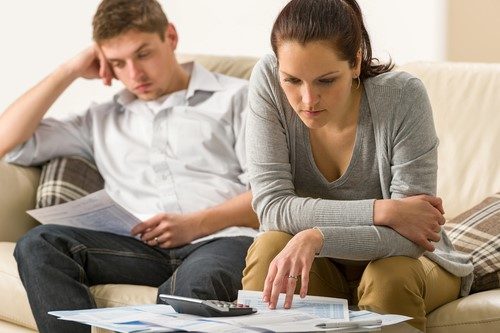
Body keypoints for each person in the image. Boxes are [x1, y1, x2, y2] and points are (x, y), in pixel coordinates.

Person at [0, 0, 259, 332]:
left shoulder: (238, 98)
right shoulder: (99, 120)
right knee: (39, 243)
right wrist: (68, 71)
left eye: (143, 54)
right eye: (117, 63)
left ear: (171, 36)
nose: (134, 74)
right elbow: (8, 141)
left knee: (191, 294)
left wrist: (194, 224)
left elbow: (268, 195)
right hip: (137, 248)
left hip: (221, 239)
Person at [241, 0, 473, 331]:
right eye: (292, 80)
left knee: (388, 276)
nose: (307, 100)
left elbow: (413, 236)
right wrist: (382, 211)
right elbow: (272, 208)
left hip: (405, 261)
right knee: (269, 250)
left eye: (326, 81)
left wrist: (318, 236)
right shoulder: (267, 80)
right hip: (323, 266)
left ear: (355, 63)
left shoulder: (403, 97)